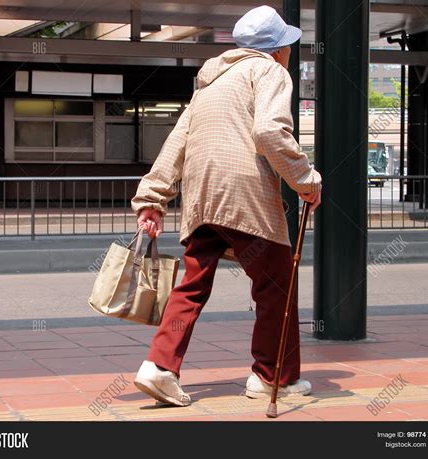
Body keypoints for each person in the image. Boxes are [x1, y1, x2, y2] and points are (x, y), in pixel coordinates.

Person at [131, 5, 322, 406]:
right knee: (275, 287)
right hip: (245, 195)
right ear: (277, 49)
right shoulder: (269, 71)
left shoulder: (209, 83)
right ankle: (273, 378)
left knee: (192, 284)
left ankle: (159, 367)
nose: (288, 51)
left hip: (201, 197)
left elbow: (177, 144)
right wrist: (305, 179)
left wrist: (152, 198)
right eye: (286, 44)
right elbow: (270, 130)